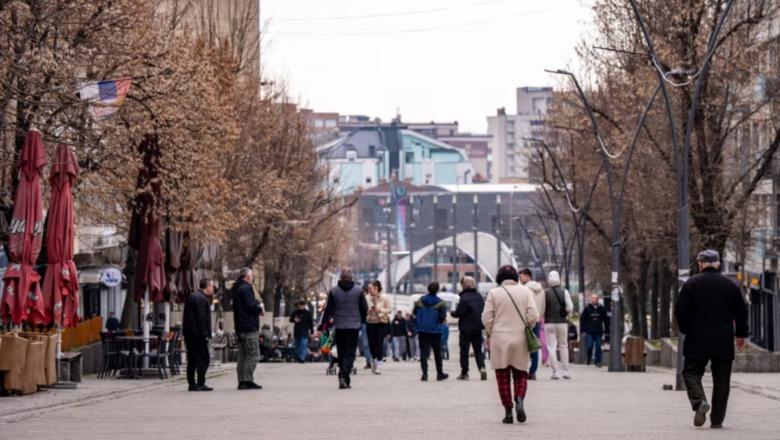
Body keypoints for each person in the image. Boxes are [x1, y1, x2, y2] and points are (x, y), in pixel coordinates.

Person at [675, 249, 748, 429]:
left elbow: (680, 311)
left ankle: (700, 402)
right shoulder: (730, 285)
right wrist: (740, 335)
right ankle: (717, 420)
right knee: (722, 380)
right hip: (723, 339)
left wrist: (686, 329)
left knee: (690, 372)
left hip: (697, 338)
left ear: (700, 264)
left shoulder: (691, 284)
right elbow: (741, 312)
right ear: (718, 264)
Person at [482, 265, 539, 424]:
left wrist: (493, 331)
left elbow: (486, 317)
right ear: (515, 277)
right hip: (520, 337)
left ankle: (508, 412)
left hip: (499, 339)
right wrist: (526, 326)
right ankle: (519, 399)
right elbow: (533, 315)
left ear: (500, 277)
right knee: (521, 374)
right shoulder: (525, 292)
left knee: (503, 377)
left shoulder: (494, 293)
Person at [320, 268, 369, 389]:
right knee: (350, 352)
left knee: (341, 352)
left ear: (340, 278)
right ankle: (343, 375)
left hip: (340, 325)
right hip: (354, 326)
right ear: (351, 277)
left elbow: (328, 310)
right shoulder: (358, 291)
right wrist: (362, 320)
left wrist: (323, 323)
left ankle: (344, 378)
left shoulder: (334, 291)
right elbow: (364, 308)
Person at [232, 267, 264, 390]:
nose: (253, 278)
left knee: (243, 356)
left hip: (240, 326)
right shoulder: (246, 288)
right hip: (248, 326)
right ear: (247, 277)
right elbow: (251, 307)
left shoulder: (237, 288)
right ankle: (247, 380)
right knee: (254, 354)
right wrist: (260, 308)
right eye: (252, 276)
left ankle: (242, 380)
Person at [450, 276, 486, 381]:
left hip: (466, 328)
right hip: (477, 327)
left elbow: (459, 313)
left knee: (464, 351)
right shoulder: (479, 297)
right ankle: (482, 368)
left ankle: (464, 373)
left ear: (463, 285)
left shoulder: (464, 298)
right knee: (478, 350)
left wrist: (452, 313)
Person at [182, 278, 214, 391]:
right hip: (197, 334)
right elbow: (201, 318)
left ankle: (192, 383)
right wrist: (205, 334)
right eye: (212, 286)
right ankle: (200, 383)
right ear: (207, 286)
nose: (213, 289)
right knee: (204, 358)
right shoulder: (202, 299)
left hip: (190, 333)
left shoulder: (192, 296)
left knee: (193, 359)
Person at [414, 282, 449, 382]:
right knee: (437, 353)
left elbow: (414, 312)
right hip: (435, 332)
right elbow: (442, 317)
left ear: (428, 289)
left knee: (423, 353)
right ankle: (439, 374)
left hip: (422, 330)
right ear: (437, 290)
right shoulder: (441, 303)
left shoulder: (420, 300)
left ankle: (424, 374)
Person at [543, 270, 573, 380]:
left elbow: (542, 309)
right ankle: (565, 370)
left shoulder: (545, 292)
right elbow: (570, 307)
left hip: (549, 323)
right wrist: (566, 314)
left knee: (551, 347)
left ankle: (555, 372)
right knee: (563, 345)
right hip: (562, 322)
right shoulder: (564, 292)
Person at [518, 268, 545, 380]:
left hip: (525, 321)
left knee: (523, 347)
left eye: (521, 276)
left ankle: (522, 370)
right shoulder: (541, 289)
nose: (519, 278)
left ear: (528, 276)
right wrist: (539, 317)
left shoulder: (523, 289)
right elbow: (543, 306)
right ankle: (533, 371)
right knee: (534, 346)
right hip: (537, 320)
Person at [365, 280, 391, 374]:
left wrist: (380, 310)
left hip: (381, 323)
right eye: (368, 288)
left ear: (376, 288)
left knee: (379, 343)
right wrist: (368, 311)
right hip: (370, 323)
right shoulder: (366, 298)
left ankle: (378, 365)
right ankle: (374, 361)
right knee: (372, 344)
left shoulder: (384, 297)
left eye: (370, 288)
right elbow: (363, 309)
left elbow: (390, 310)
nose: (369, 290)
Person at [580, 293, 608, 367]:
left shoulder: (601, 308)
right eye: (593, 299)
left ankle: (597, 361)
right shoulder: (587, 308)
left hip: (598, 331)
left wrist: (607, 329)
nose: (594, 300)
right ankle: (588, 357)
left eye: (595, 299)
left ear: (598, 300)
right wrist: (583, 330)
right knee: (590, 346)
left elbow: (605, 319)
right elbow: (583, 320)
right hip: (590, 331)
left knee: (598, 346)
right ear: (591, 300)